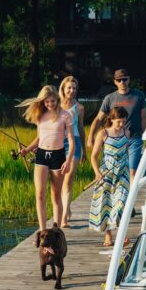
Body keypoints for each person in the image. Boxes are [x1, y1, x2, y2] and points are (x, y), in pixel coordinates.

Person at [16, 85, 75, 232]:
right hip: (41, 155)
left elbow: (72, 141)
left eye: (52, 101)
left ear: (57, 99)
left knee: (56, 195)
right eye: (47, 102)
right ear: (43, 101)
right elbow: (39, 138)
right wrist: (27, 149)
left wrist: (68, 161)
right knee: (40, 194)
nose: (50, 104)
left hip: (58, 156)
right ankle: (42, 231)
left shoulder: (65, 115)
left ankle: (57, 230)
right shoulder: (40, 115)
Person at [88, 68, 146, 183]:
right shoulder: (109, 98)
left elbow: (143, 119)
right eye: (119, 80)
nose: (122, 82)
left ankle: (131, 199)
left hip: (134, 138)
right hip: (115, 140)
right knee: (117, 171)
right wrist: (91, 136)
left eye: (124, 79)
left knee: (132, 171)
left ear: (129, 80)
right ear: (115, 81)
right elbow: (99, 118)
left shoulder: (139, 96)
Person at [88, 106, 131, 247]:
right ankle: (108, 236)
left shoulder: (126, 132)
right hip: (106, 173)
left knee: (121, 204)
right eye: (119, 121)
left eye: (123, 121)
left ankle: (121, 236)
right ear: (111, 119)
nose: (121, 124)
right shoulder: (103, 134)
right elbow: (94, 157)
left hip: (122, 173)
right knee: (106, 204)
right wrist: (97, 173)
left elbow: (127, 153)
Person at [58, 76, 85, 225]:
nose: (72, 90)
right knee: (60, 180)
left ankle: (63, 218)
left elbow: (80, 128)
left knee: (68, 180)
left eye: (74, 88)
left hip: (74, 143)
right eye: (69, 87)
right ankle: (66, 209)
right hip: (57, 143)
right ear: (63, 88)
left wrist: (85, 152)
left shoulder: (79, 108)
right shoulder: (56, 105)